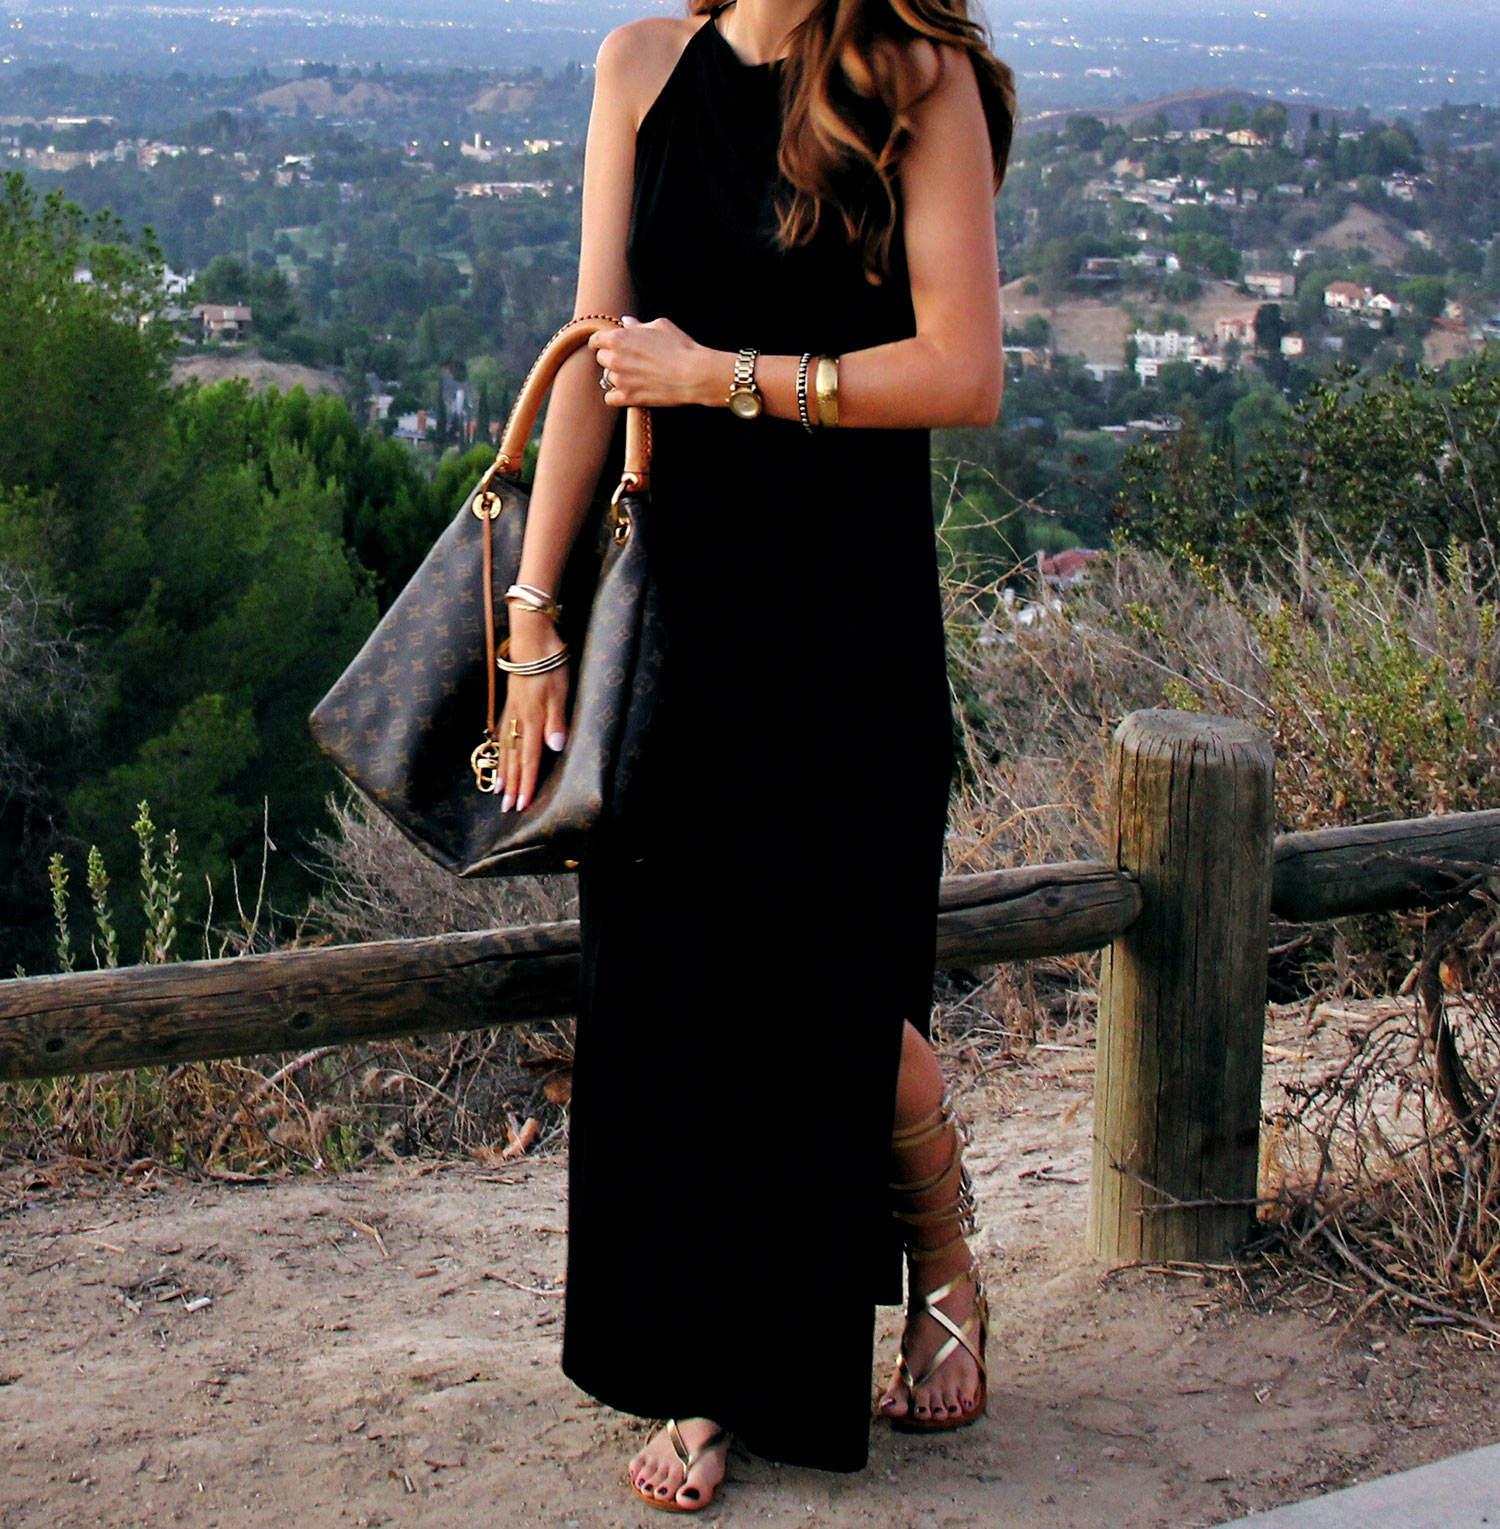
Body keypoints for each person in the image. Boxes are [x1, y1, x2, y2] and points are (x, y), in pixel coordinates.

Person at [492, 0, 1014, 1510]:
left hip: (842, 622)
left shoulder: (919, 83)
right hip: (674, 618)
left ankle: (946, 1262)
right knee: (668, 999)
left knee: (829, 1007)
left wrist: (726, 376)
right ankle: (706, 1372)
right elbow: (598, 352)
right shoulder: (640, 67)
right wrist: (535, 615)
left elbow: (964, 369)